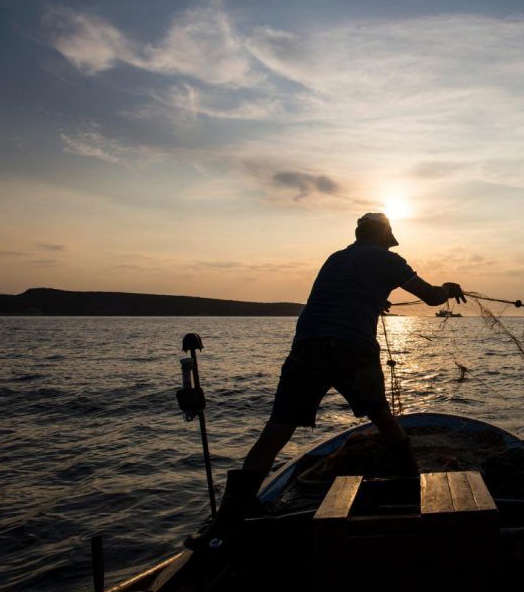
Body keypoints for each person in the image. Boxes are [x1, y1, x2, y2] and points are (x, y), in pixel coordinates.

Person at [187, 212, 464, 548]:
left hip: (307, 346)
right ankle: (410, 481)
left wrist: (375, 298)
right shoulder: (390, 260)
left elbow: (340, 294)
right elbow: (433, 297)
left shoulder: (336, 258)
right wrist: (449, 287)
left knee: (278, 428)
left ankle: (231, 514)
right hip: (352, 347)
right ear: (384, 237)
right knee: (380, 414)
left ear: (359, 235)